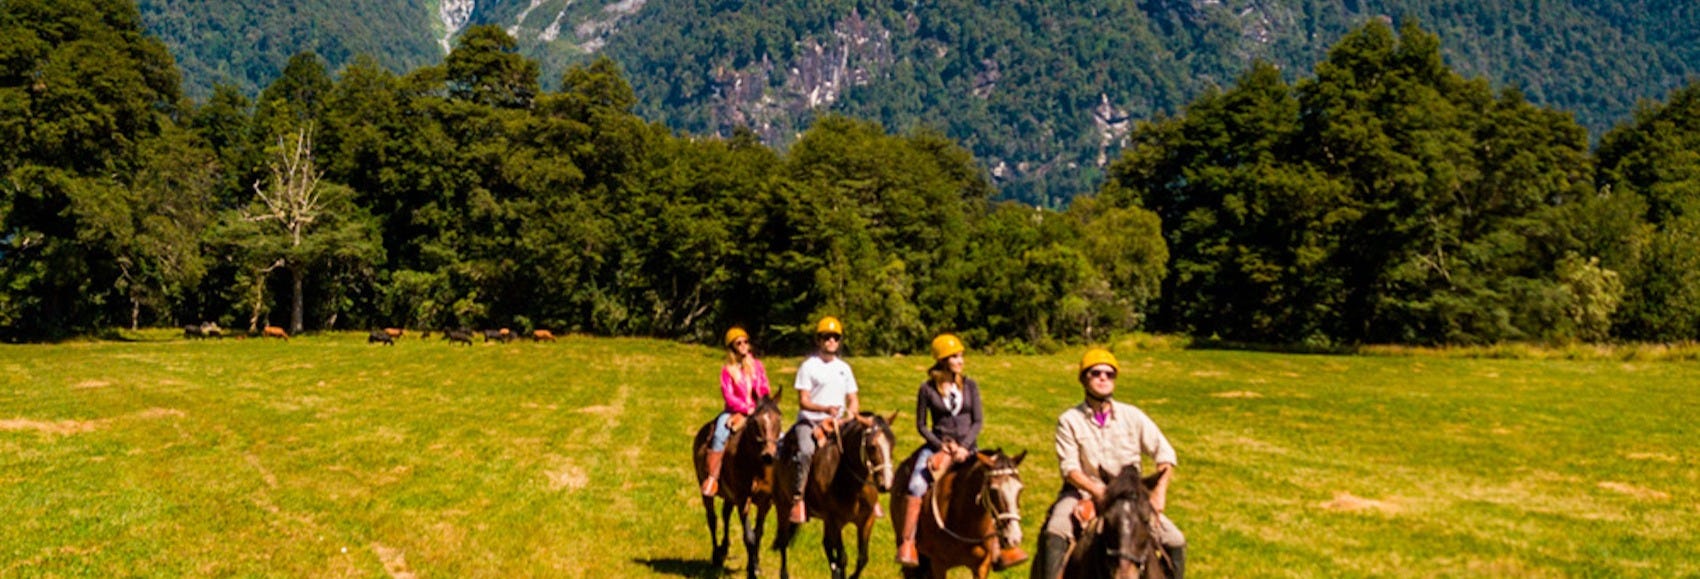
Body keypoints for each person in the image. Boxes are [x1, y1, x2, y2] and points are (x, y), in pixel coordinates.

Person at [1033, 349, 1186, 579]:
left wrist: (1159, 494)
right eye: (1096, 373)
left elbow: (1165, 453)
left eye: (1109, 374)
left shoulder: (1132, 416)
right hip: (1083, 494)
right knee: (1055, 531)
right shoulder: (1069, 420)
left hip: (1130, 498)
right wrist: (1098, 491)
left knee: (1175, 540)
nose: (1103, 378)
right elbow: (1070, 468)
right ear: (1083, 378)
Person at [785, 316, 860, 523]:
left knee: (860, 449)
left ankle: (865, 497)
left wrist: (851, 415)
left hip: (839, 424)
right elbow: (803, 401)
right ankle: (798, 498)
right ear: (819, 340)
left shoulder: (844, 368)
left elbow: (853, 398)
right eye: (827, 337)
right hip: (810, 421)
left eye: (835, 337)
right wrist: (825, 409)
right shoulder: (809, 366)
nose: (831, 341)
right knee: (806, 452)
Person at [702, 327, 772, 497]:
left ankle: (773, 478)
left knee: (774, 434)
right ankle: (713, 477)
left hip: (757, 410)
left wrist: (760, 403)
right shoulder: (727, 370)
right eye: (738, 343)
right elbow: (728, 396)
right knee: (719, 433)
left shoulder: (757, 366)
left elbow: (764, 387)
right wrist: (745, 407)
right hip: (735, 411)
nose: (743, 345)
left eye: (745, 342)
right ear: (732, 348)